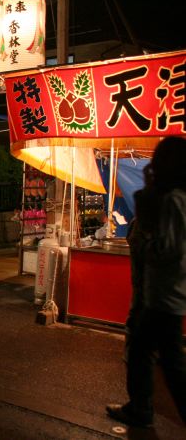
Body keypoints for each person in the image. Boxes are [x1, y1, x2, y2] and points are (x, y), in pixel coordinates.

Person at [106, 136, 186, 428]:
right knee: (153, 355)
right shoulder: (176, 197)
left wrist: (144, 245)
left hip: (165, 295)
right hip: (165, 295)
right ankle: (140, 407)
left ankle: (140, 409)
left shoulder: (175, 200)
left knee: (165, 362)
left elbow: (168, 249)